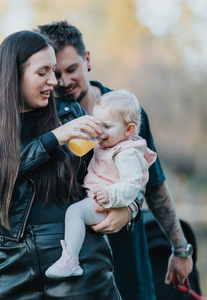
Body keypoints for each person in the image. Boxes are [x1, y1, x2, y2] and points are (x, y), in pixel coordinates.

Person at [0, 30, 121, 299]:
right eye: (43, 72)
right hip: (9, 259)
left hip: (76, 255)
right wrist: (54, 138)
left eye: (53, 70)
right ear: (13, 75)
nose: (54, 81)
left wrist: (129, 209)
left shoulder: (69, 111)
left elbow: (109, 167)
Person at [38, 21, 193, 299]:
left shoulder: (126, 112)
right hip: (76, 268)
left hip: (127, 257)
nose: (63, 81)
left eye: (71, 69)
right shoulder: (46, 121)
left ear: (87, 60)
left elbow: (153, 184)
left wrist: (179, 248)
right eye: (54, 72)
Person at [46, 89, 157, 278]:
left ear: (129, 130)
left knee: (75, 213)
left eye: (106, 126)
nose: (99, 132)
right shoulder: (111, 142)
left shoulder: (126, 153)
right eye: (97, 124)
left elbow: (132, 185)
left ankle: (70, 260)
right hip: (101, 197)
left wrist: (111, 195)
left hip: (108, 202)